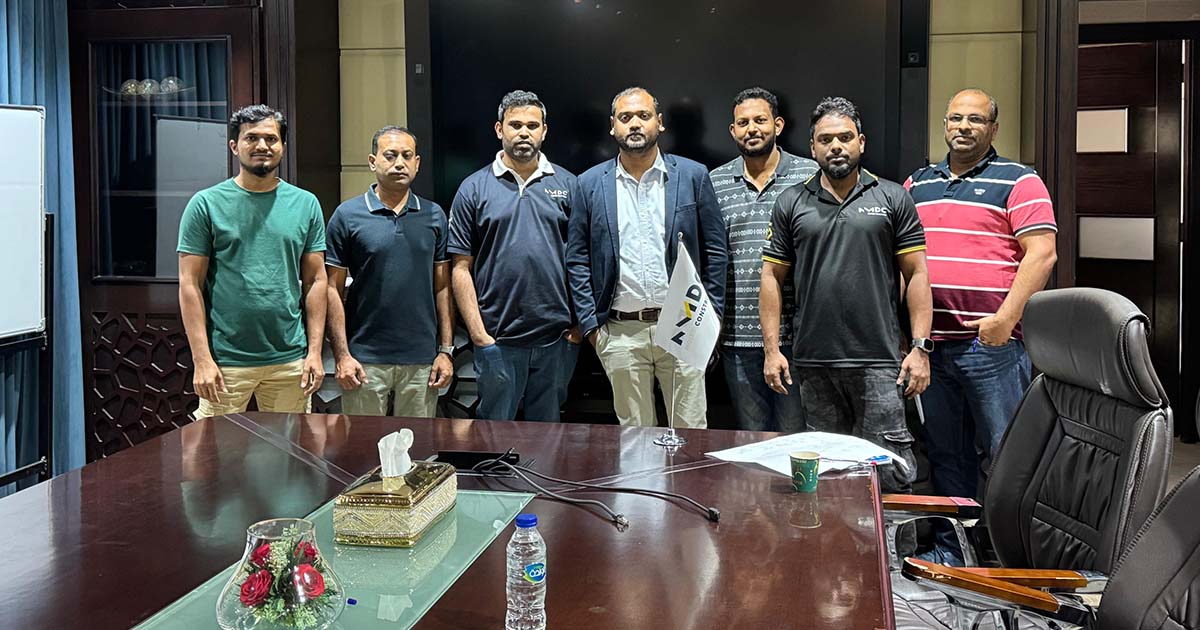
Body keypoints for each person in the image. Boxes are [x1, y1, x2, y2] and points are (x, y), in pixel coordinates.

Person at [905, 88, 1057, 564]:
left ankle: (1016, 559)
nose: (963, 127)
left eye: (975, 119)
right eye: (955, 118)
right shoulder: (917, 184)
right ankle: (955, 551)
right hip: (932, 347)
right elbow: (905, 260)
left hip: (992, 347)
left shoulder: (1020, 180)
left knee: (1008, 457)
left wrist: (1006, 319)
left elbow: (1042, 253)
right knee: (946, 454)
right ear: (944, 125)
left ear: (993, 128)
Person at [760, 97, 931, 490]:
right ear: (813, 147)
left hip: (880, 362)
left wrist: (921, 348)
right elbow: (771, 277)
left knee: (888, 475)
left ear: (861, 143)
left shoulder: (892, 197)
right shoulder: (791, 202)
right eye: (826, 139)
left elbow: (917, 273)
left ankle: (892, 536)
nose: (836, 146)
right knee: (829, 478)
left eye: (845, 137)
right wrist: (772, 351)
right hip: (814, 364)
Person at [567, 87, 728, 428]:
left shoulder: (692, 176)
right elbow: (577, 259)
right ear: (613, 126)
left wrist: (712, 315)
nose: (635, 124)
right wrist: (592, 328)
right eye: (625, 117)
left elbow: (715, 251)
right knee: (635, 438)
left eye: (643, 116)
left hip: (685, 325)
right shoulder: (589, 184)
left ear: (660, 122)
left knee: (689, 434)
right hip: (619, 333)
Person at [178, 104, 327, 418]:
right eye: (252, 138)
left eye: (271, 139)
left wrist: (315, 353)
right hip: (226, 361)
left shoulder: (306, 204)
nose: (262, 146)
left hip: (289, 360)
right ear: (235, 146)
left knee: (287, 447)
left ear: (283, 146)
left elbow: (316, 281)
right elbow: (190, 284)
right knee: (216, 448)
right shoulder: (205, 204)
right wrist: (201, 359)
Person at [448, 90, 579, 421]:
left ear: (544, 131)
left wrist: (578, 330)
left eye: (532, 126)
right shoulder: (473, 188)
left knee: (548, 437)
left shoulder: (569, 185)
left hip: (557, 340)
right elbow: (460, 268)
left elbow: (584, 261)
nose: (524, 132)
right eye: (515, 125)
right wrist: (479, 336)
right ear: (499, 129)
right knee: (494, 435)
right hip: (497, 340)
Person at [325, 126, 454, 417]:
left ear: (417, 163)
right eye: (390, 155)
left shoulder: (434, 215)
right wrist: (342, 355)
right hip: (363, 360)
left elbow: (443, 287)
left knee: (418, 443)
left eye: (407, 156)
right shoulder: (347, 215)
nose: (399, 163)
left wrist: (446, 351)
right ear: (373, 162)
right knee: (362, 443)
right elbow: (332, 289)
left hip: (422, 361)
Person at [709, 87, 816, 432]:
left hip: (796, 336)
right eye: (743, 123)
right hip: (736, 337)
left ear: (778, 125)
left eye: (760, 120)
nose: (751, 129)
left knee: (795, 437)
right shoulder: (715, 182)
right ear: (732, 130)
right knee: (752, 439)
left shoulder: (810, 175)